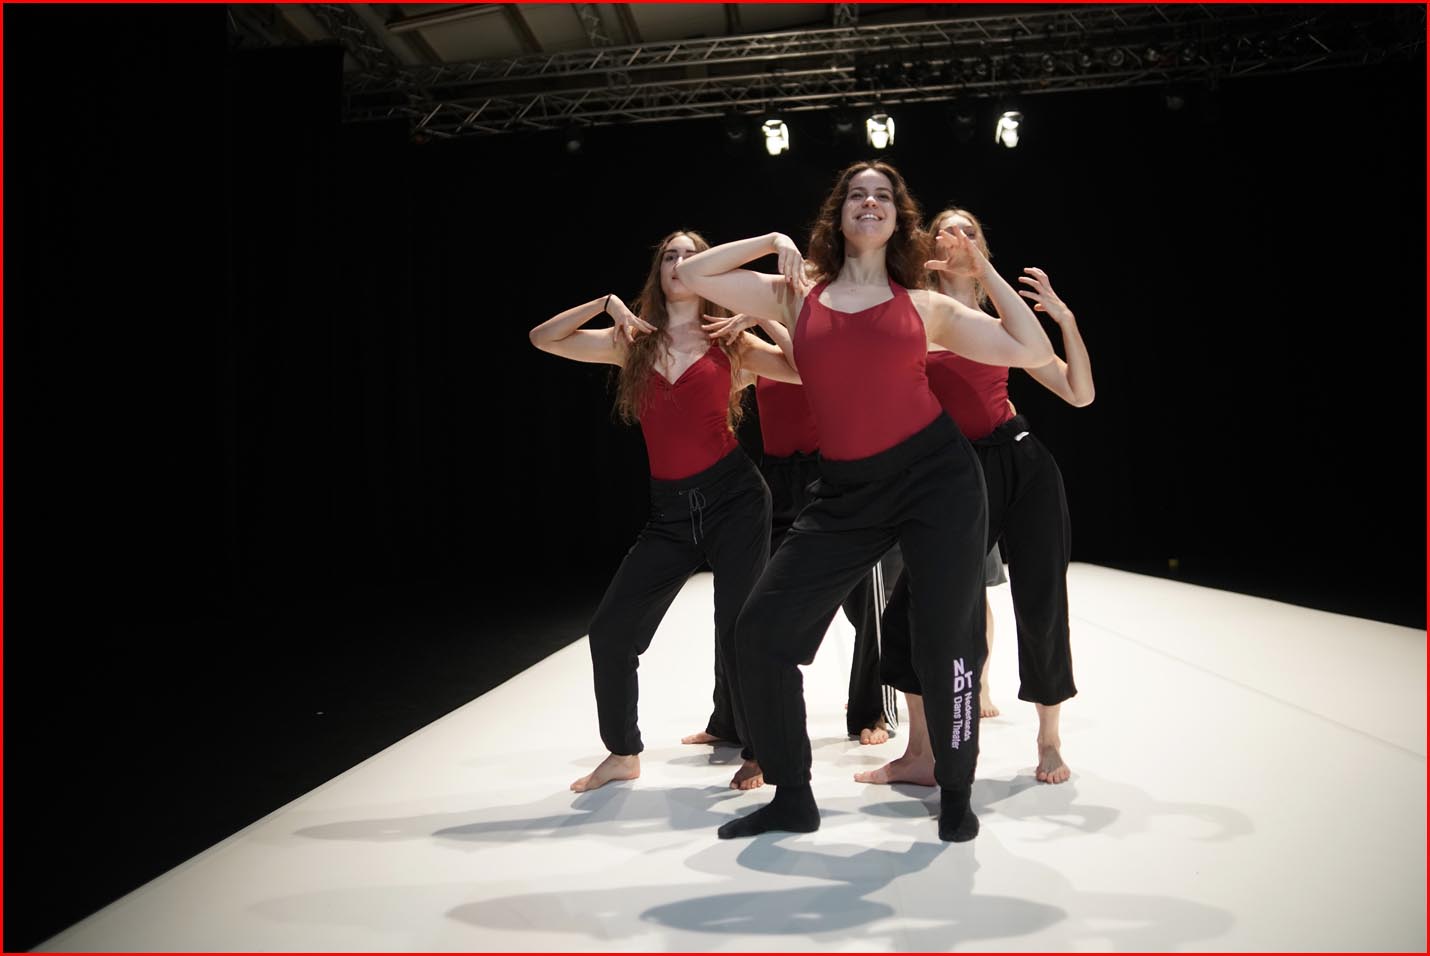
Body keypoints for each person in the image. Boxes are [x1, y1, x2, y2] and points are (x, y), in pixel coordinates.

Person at [678, 162, 1054, 841]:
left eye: (883, 195)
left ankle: (956, 790)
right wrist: (770, 240)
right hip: (847, 490)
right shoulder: (797, 294)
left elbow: (1029, 347)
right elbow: (695, 274)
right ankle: (793, 796)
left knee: (949, 638)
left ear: (899, 218)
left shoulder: (924, 306)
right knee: (760, 632)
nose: (870, 202)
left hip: (937, 480)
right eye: (857, 194)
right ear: (839, 213)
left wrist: (983, 270)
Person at [528, 230, 800, 793]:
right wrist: (607, 304)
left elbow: (802, 371)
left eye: (691, 256)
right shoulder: (633, 342)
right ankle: (623, 752)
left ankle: (759, 750)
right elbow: (544, 338)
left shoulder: (728, 341)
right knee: (610, 631)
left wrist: (758, 318)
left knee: (739, 627)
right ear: (658, 271)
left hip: (735, 499)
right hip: (670, 512)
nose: (679, 264)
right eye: (670, 256)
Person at [857, 208, 1093, 790]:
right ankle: (920, 752)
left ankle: (1049, 737)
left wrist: (1063, 318)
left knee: (1041, 602)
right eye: (946, 228)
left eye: (968, 231)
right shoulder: (918, 313)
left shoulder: (1001, 324)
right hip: (957, 472)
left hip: (1023, 463)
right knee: (910, 605)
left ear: (980, 245)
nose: (956, 237)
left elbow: (1079, 393)